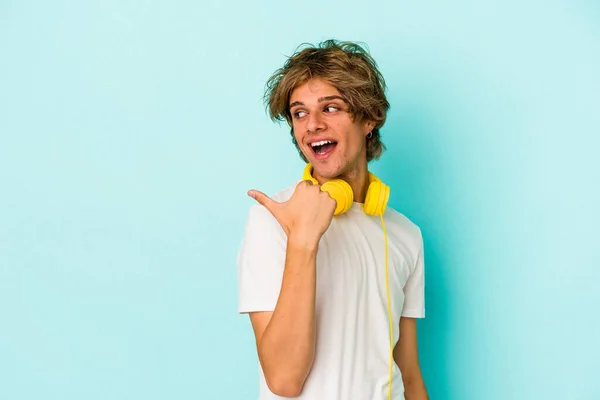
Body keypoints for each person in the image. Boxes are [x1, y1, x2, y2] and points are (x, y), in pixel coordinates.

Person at [237, 39, 429, 400]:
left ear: (370, 117)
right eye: (299, 113)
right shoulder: (271, 221)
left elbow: (410, 375)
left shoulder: (406, 235)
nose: (312, 125)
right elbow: (283, 380)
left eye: (331, 108)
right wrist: (303, 241)